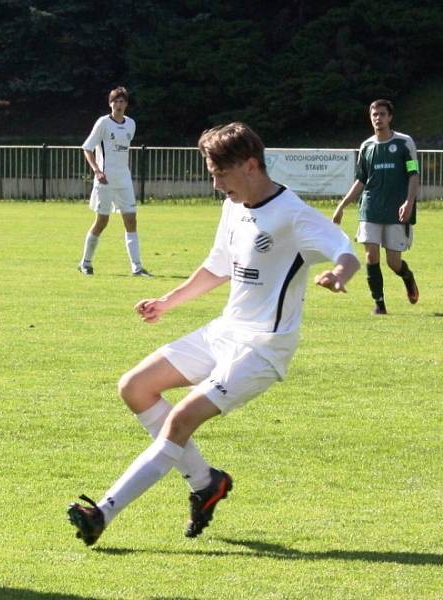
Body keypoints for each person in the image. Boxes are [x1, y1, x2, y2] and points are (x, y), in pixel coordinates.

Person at [67, 122, 359, 546]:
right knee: (134, 387)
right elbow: (218, 266)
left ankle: (104, 513)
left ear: (251, 166)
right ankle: (206, 484)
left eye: (221, 174)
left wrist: (338, 273)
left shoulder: (292, 214)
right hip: (224, 330)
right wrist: (168, 301)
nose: (215, 183)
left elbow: (344, 249)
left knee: (181, 418)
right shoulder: (232, 206)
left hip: (263, 349)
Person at [332, 99, 419, 315]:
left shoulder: (404, 143)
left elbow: (413, 174)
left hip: (395, 211)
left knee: (393, 262)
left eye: (382, 114)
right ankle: (379, 305)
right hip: (370, 209)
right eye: (374, 115)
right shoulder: (367, 147)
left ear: (390, 117)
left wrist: (409, 201)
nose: (378, 118)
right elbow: (361, 180)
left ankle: (407, 277)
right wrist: (342, 206)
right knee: (371, 256)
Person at [78, 86, 151, 277]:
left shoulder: (131, 124)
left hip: (124, 180)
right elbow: (87, 148)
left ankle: (137, 267)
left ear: (126, 104)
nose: (118, 105)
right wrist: (97, 171)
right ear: (110, 104)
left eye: (121, 101)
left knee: (131, 220)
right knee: (102, 221)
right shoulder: (103, 123)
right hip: (105, 181)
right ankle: (85, 262)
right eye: (115, 101)